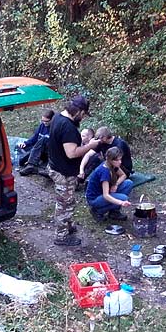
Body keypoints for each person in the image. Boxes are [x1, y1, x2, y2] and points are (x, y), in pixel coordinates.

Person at [47, 96, 102, 246]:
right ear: (78, 111)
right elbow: (71, 153)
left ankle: (68, 226)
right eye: (83, 115)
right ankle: (61, 236)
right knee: (64, 204)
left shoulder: (57, 117)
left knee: (68, 201)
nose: (83, 118)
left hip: (56, 166)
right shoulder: (68, 127)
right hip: (63, 172)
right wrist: (90, 146)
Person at [85, 146, 134, 220]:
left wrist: (116, 185)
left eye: (120, 159)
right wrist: (120, 202)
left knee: (128, 183)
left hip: (105, 192)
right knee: (124, 198)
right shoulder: (105, 171)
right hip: (95, 198)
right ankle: (97, 211)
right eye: (117, 160)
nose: (120, 162)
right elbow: (106, 196)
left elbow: (123, 175)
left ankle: (114, 212)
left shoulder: (112, 165)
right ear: (111, 160)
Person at [17, 108, 55, 175]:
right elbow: (35, 137)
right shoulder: (42, 125)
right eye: (43, 121)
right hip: (38, 151)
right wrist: (25, 143)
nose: (44, 123)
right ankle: (32, 166)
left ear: (52, 119)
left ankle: (31, 165)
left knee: (44, 139)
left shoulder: (55, 128)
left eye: (47, 121)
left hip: (50, 153)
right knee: (21, 161)